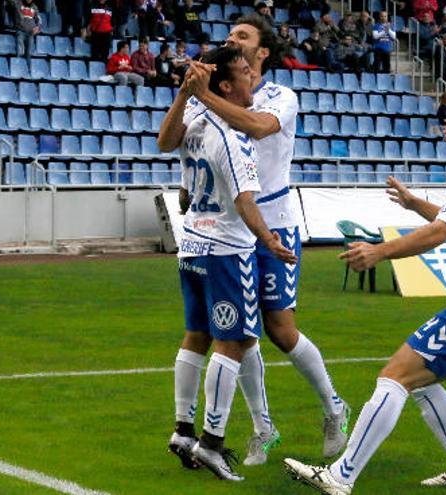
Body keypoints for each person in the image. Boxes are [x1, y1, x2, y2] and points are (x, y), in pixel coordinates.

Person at [284, 91, 446, 493]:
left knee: (394, 376)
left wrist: (379, 251)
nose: (445, 130)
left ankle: (339, 477)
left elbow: (443, 231)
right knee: (423, 380)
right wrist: (417, 204)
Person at [159, 13, 351, 467]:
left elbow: (258, 127)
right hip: (228, 228)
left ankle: (334, 407)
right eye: (229, 35)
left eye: (243, 36)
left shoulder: (280, 95)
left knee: (280, 330)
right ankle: (263, 427)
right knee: (239, 335)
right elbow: (179, 144)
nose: (232, 39)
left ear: (262, 52)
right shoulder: (214, 92)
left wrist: (204, 95)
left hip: (274, 220)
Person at [168, 46, 298, 482]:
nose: (252, 81)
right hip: (227, 250)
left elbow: (166, 143)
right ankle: (212, 443)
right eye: (245, 73)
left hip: (192, 249)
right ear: (225, 85)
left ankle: (182, 431)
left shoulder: (199, 124)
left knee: (196, 336)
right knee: (235, 342)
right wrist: (269, 240)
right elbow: (245, 200)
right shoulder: (231, 134)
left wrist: (186, 96)